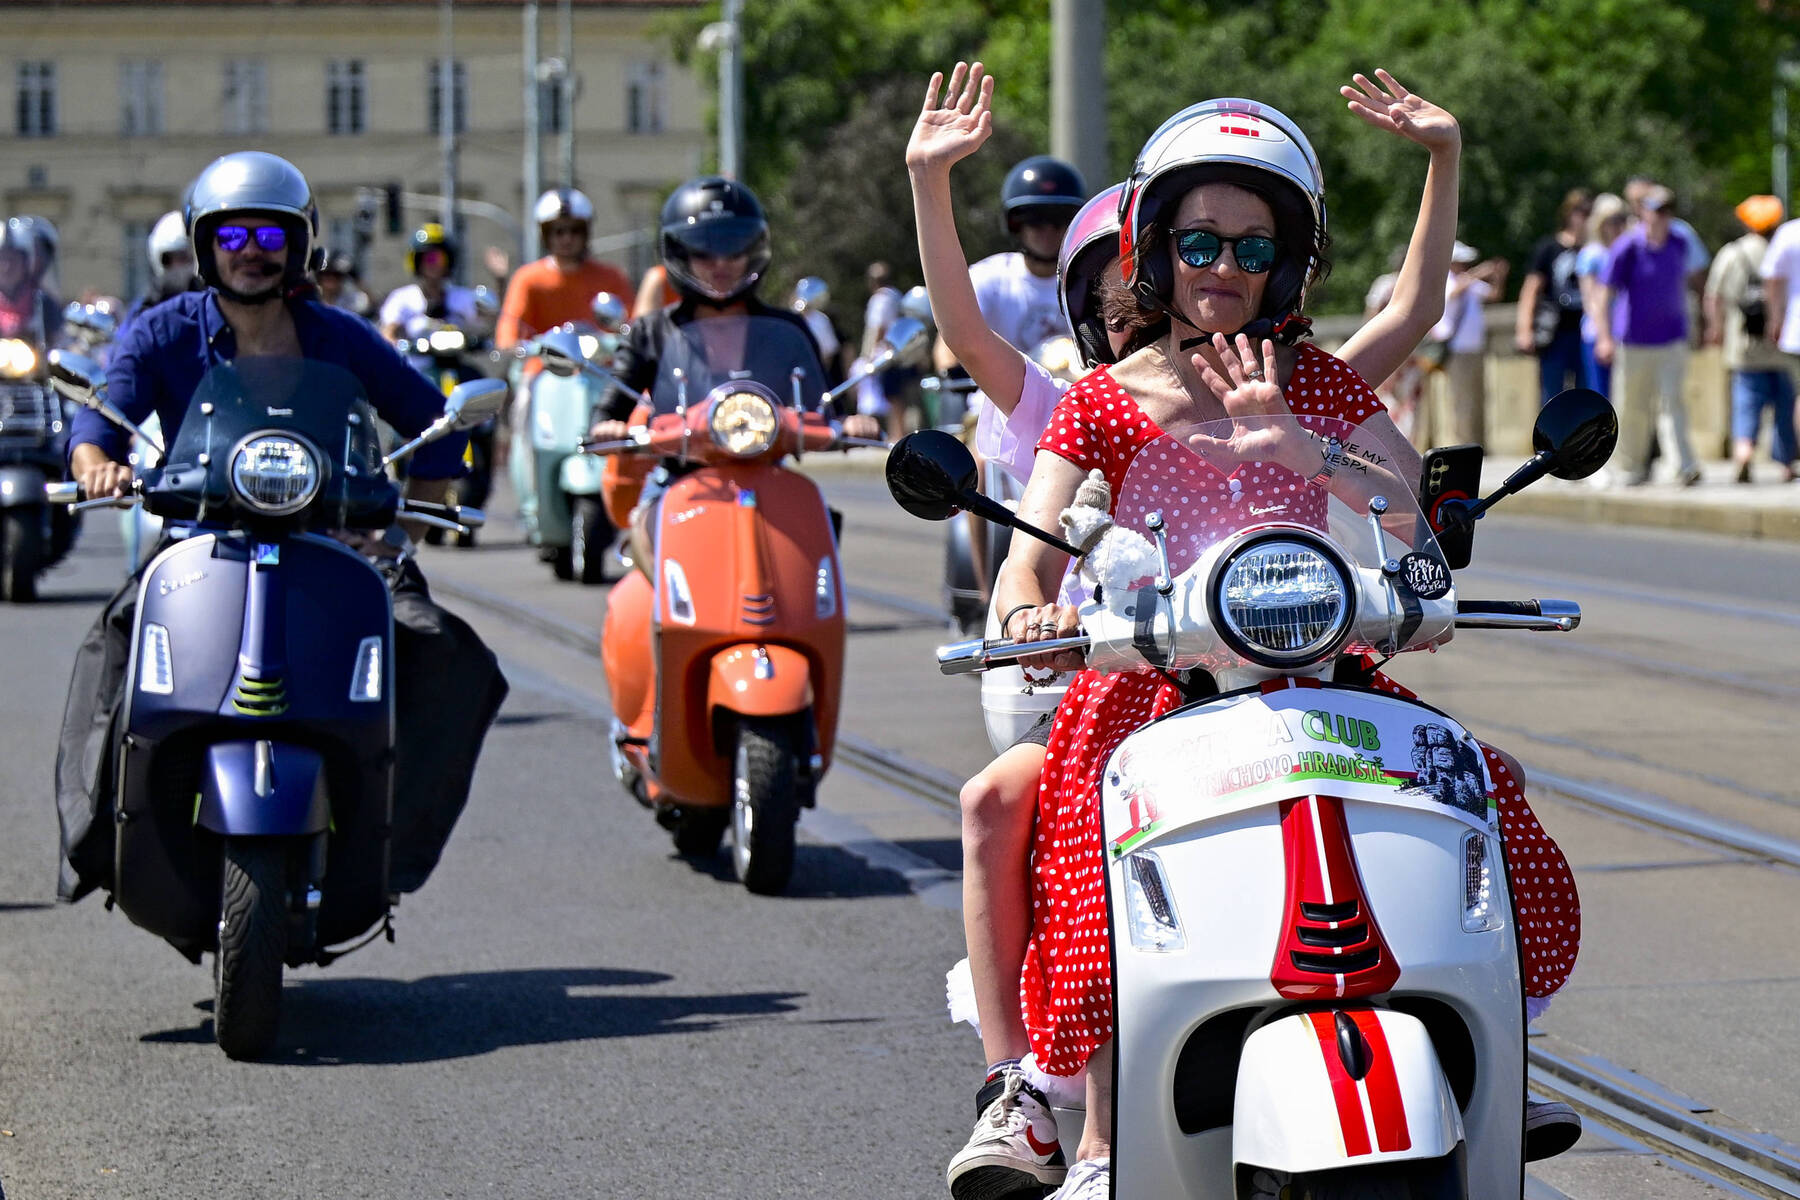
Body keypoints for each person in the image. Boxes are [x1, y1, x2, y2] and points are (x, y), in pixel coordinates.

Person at [993, 97, 1581, 1198]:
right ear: (1155, 252)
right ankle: (1103, 1144)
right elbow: (1029, 552)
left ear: (1288, 265)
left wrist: (1308, 453)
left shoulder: (1314, 385)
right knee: (1095, 869)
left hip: (1322, 669)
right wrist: (1029, 613)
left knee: (1485, 794)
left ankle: (1493, 1050)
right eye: (1199, 243)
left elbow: (1411, 517)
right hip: (1155, 689)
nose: (1223, 266)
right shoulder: (1103, 403)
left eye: (1252, 247)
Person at [56, 150, 508, 903]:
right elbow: (99, 414)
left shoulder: (340, 335)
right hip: (202, 545)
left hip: (334, 547)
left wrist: (400, 538)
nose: (252, 256)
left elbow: (440, 430)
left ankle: (389, 841)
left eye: (270, 238)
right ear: (205, 246)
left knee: (440, 652)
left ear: (300, 245)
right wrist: (95, 460)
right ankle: (99, 840)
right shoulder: (162, 332)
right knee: (116, 647)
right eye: (232, 239)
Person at [584, 177, 881, 575]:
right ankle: (660, 632)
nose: (720, 262)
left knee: (817, 552)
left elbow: (823, 405)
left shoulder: (789, 329)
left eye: (733, 247)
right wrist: (607, 427)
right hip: (680, 479)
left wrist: (849, 423)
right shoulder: (652, 331)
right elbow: (609, 406)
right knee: (645, 552)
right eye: (704, 250)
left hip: (770, 476)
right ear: (680, 254)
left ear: (753, 250)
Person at [1597, 185, 1703, 486]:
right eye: (1655, 209)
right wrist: (1604, 336)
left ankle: (1682, 466)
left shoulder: (1679, 242)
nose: (1660, 216)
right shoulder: (1627, 246)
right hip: (1633, 341)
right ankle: (1630, 467)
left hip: (1672, 337)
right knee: (1632, 406)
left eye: (1665, 210)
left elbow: (1693, 282)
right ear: (1642, 211)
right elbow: (1605, 293)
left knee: (1674, 402)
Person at [1705, 195, 1796, 483]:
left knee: (1746, 400)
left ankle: (1744, 451)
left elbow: (1714, 296)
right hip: (1781, 344)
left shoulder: (1732, 253)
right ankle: (1785, 462)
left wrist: (1715, 328)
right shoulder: (1784, 246)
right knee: (1785, 402)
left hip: (1743, 345)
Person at [495, 188, 638, 351]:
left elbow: (631, 327)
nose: (567, 239)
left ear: (585, 233)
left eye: (575, 230)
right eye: (558, 232)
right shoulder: (528, 278)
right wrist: (514, 344)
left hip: (600, 369)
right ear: (545, 235)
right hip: (542, 368)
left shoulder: (612, 277)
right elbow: (509, 330)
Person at [1516, 188, 1593, 404]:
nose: (1585, 218)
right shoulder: (1548, 248)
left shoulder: (1594, 250)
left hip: (1586, 331)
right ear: (1569, 213)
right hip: (1554, 334)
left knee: (1588, 395)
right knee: (1552, 396)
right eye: (1581, 212)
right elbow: (1531, 290)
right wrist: (1524, 329)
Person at [1427, 240, 1507, 445]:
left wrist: (1499, 276)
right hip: (1457, 351)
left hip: (1475, 349)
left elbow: (1494, 295)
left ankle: (1476, 443)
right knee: (1461, 401)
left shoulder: (1469, 282)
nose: (1463, 266)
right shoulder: (1448, 281)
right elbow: (1454, 293)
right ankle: (1462, 443)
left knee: (1477, 399)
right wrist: (1480, 272)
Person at [380, 223, 480, 345]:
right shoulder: (402, 298)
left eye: (439, 258)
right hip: (414, 363)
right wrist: (392, 342)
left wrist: (500, 281)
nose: (433, 264)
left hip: (455, 361)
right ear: (417, 262)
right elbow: (388, 331)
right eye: (429, 258)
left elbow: (489, 323)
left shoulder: (461, 297)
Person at [119, 209, 204, 340]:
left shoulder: (215, 303)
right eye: (181, 258)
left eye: (192, 257)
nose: (187, 267)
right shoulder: (145, 307)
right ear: (164, 261)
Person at [1576, 192, 1629, 396]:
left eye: (1621, 219)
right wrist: (1604, 337)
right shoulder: (1592, 254)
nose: (1617, 226)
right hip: (1598, 334)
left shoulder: (1627, 251)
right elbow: (1592, 301)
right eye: (1612, 221)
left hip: (1625, 334)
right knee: (1602, 395)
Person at [0, 216, 62, 343]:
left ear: (26, 264)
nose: (7, 267)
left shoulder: (43, 302)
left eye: (13, 260)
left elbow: (58, 340)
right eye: (2, 260)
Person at [314, 249, 371, 317]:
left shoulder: (351, 301)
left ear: (343, 277)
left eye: (336, 274)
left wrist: (356, 278)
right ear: (319, 276)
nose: (331, 278)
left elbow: (373, 304)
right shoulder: (311, 299)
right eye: (326, 274)